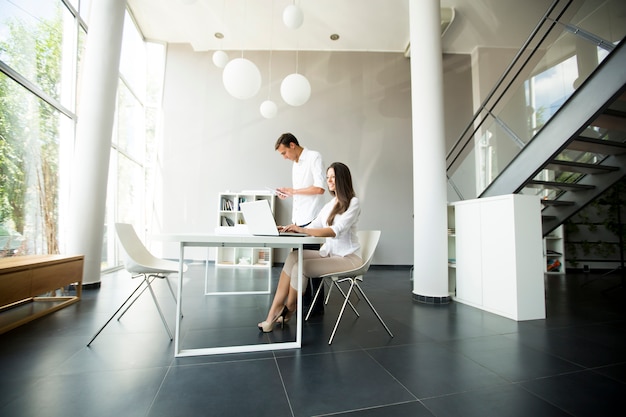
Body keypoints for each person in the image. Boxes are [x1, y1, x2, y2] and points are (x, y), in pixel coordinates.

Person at [258, 162, 362, 332]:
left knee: (302, 266)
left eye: (333, 177)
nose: (329, 181)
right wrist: (290, 228)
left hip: (349, 259)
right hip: (331, 254)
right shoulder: (330, 205)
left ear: (343, 179)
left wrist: (303, 229)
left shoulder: (353, 202)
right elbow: (314, 226)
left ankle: (290, 308)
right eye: (327, 177)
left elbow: (336, 231)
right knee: (293, 257)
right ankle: (274, 312)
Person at [275, 132, 327, 314]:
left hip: (312, 219)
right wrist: (288, 193)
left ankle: (317, 305)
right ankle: (301, 303)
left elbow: (320, 188)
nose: (284, 157)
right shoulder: (295, 165)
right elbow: (299, 192)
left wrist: (294, 191)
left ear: (292, 145)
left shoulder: (314, 156)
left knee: (313, 265)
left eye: (284, 153)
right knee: (299, 264)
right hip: (298, 220)